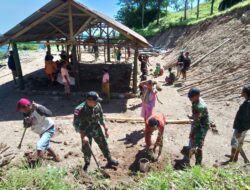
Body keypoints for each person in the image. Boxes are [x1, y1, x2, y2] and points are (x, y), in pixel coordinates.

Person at [73, 92, 119, 172]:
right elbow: (76, 124)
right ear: (89, 101)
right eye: (95, 101)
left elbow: (101, 117)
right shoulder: (79, 110)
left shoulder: (97, 105)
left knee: (103, 143)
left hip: (96, 128)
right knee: (87, 148)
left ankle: (109, 159)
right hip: (85, 130)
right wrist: (83, 135)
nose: (97, 102)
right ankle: (87, 164)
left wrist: (105, 128)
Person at [226, 85, 250, 163]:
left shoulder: (247, 104)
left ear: (245, 93)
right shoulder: (248, 102)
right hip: (245, 127)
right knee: (239, 143)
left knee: (234, 143)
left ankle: (232, 159)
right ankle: (240, 158)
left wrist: (239, 130)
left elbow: (245, 118)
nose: (241, 92)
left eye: (242, 91)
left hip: (241, 128)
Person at [187, 88, 209, 165]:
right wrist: (193, 116)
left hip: (202, 126)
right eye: (189, 97)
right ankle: (192, 151)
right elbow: (197, 117)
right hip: (199, 121)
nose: (190, 99)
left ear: (197, 96)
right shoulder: (196, 100)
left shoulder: (199, 107)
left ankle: (198, 163)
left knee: (198, 145)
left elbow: (197, 122)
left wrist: (192, 132)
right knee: (193, 140)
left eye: (191, 97)